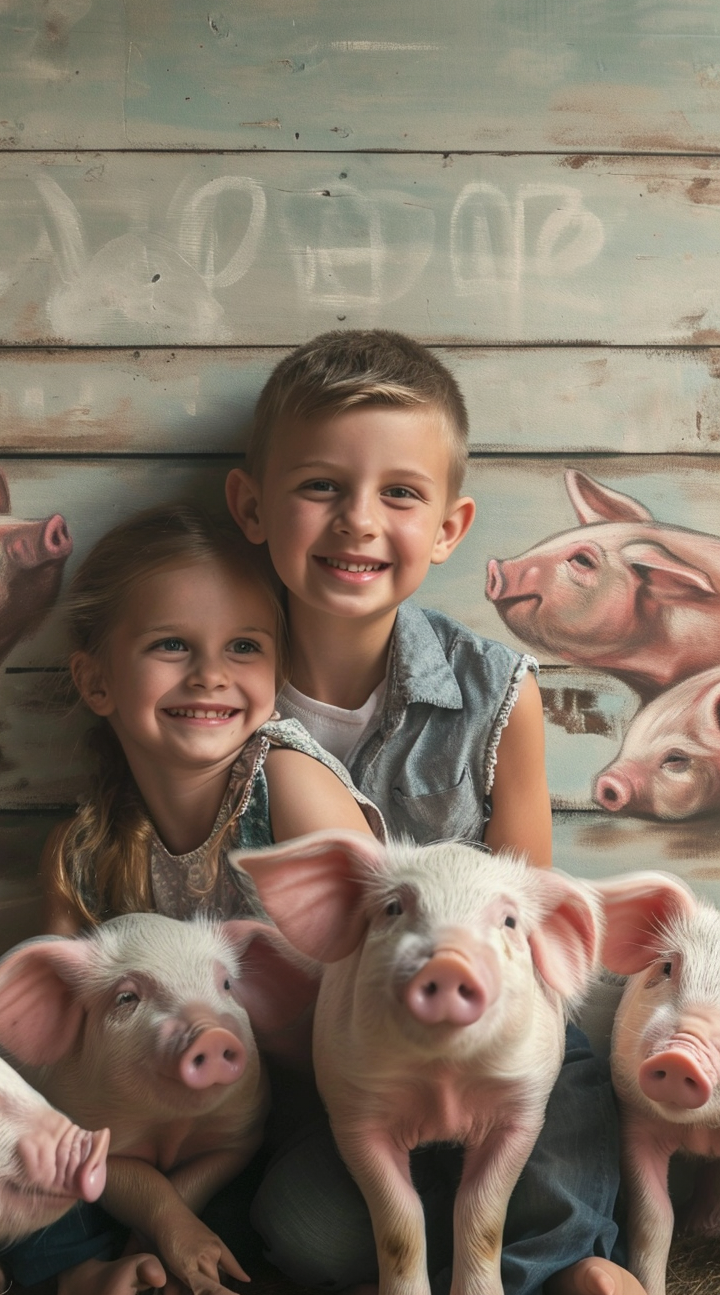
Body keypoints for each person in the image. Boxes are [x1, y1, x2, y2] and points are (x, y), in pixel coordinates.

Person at [225, 328, 646, 1295]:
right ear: (251, 505)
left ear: (450, 528)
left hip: (498, 1028)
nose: (357, 522)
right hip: (353, 1053)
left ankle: (558, 1269)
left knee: (565, 1123)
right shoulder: (224, 693)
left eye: (399, 494)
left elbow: (530, 908)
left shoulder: (499, 687)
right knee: (306, 1229)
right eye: (321, 486)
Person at [0, 502, 380, 1295]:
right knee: (13, 1165)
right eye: (171, 645)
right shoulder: (83, 850)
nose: (209, 674)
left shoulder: (289, 786)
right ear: (95, 679)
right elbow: (51, 1058)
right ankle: (101, 1265)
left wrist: (157, 1205)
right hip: (160, 1113)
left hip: (321, 1106)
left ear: (278, 671)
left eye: (243, 647)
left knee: (312, 1234)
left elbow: (378, 972)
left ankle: (102, 1257)